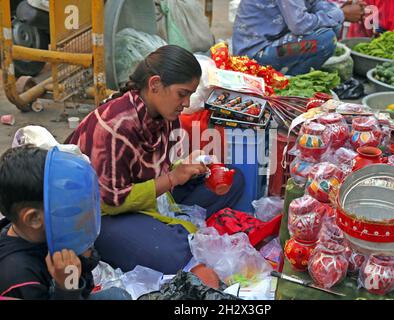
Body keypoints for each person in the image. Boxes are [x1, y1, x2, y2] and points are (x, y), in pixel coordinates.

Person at [67, 45, 245, 275]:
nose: (186, 103)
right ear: (154, 84)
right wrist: (173, 178)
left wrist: (188, 168)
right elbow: (113, 201)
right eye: (182, 94)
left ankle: (163, 227)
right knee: (174, 253)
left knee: (234, 179)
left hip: (150, 194)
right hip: (102, 214)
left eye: (190, 95)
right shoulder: (115, 127)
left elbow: (160, 167)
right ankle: (160, 232)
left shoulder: (165, 115)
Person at [0, 145, 131, 300]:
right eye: (65, 205)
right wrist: (66, 287)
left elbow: (85, 286)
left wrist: (84, 258)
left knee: (118, 295)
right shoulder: (18, 276)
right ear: (33, 218)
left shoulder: (44, 232)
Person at [232, 0, 366, 75]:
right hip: (256, 55)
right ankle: (288, 83)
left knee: (333, 24)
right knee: (325, 40)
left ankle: (288, 74)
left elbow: (315, 3)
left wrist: (338, 10)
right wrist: (342, 13)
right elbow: (300, 25)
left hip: (275, 40)